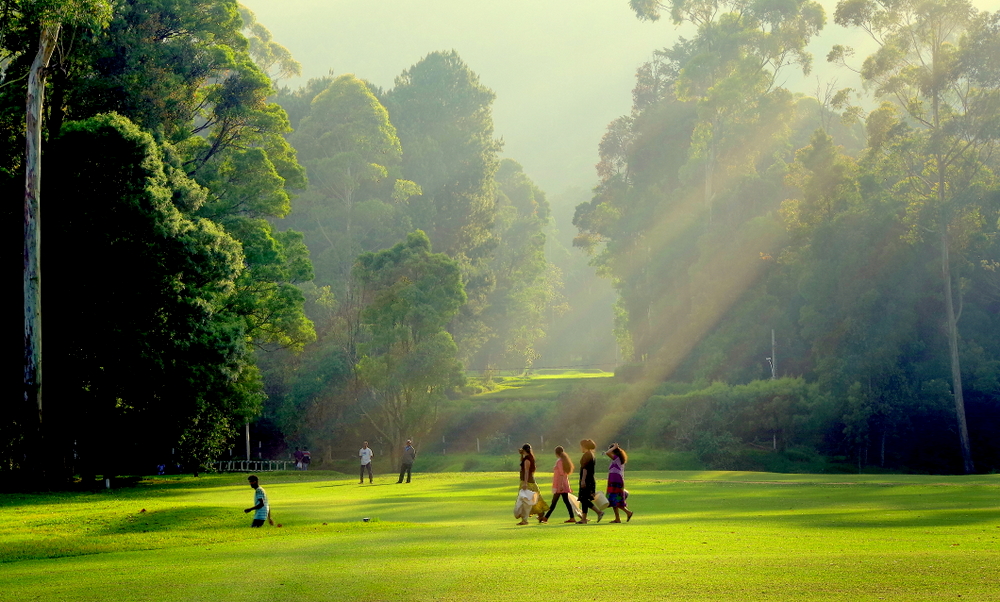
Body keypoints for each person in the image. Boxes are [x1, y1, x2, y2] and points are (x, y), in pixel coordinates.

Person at [540, 445, 576, 524]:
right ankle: (572, 517)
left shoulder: (559, 461)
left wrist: (561, 486)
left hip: (560, 485)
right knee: (565, 502)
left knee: (554, 502)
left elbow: (561, 474)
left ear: (556, 453)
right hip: (562, 484)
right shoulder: (563, 460)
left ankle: (545, 518)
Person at [516, 443, 548, 525]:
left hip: (527, 482)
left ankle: (524, 520)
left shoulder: (527, 460)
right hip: (531, 482)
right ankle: (540, 515)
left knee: (525, 501)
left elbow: (527, 472)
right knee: (535, 499)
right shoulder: (528, 458)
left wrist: (525, 483)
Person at [605, 442, 634, 523]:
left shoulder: (617, 458)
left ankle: (628, 512)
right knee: (612, 500)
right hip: (612, 480)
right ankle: (618, 518)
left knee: (616, 500)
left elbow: (607, 453)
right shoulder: (615, 460)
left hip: (616, 481)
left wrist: (614, 447)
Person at [577, 439, 603, 524]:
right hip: (590, 479)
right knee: (585, 498)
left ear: (584, 446)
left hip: (587, 479)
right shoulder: (591, 455)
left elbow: (585, 469)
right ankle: (584, 519)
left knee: (583, 498)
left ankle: (599, 512)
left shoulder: (586, 455)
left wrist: (583, 480)